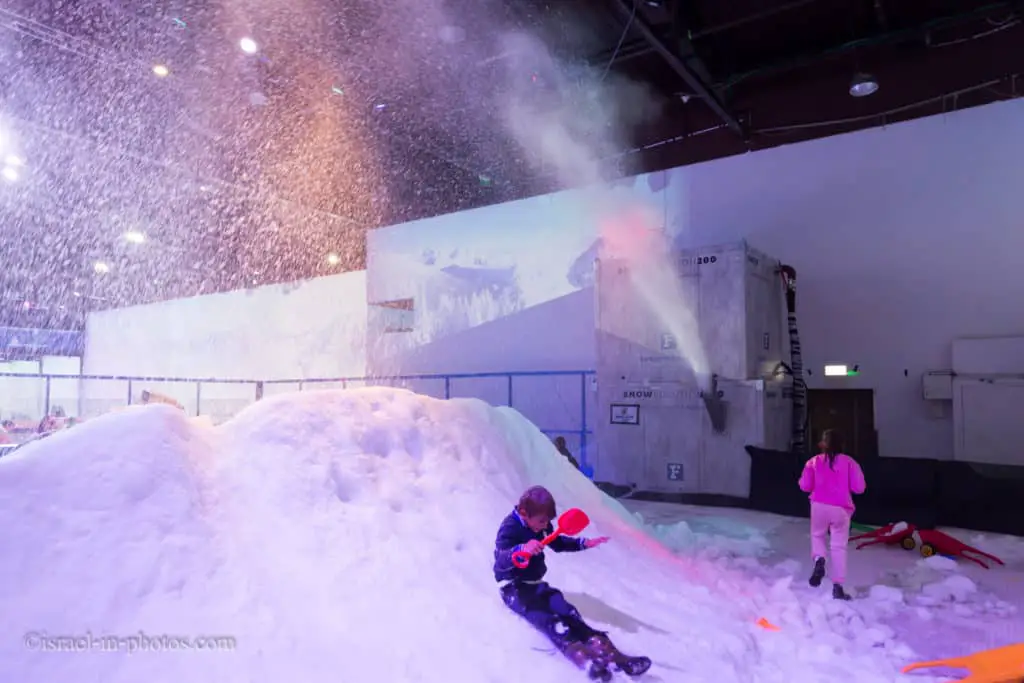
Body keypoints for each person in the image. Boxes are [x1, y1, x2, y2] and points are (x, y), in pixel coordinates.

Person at [493, 486, 650, 676]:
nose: (545, 526)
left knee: (568, 612)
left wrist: (583, 543)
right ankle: (586, 661)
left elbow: (558, 542)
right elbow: (501, 560)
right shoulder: (510, 527)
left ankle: (614, 658)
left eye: (547, 522)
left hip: (537, 585)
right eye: (542, 521)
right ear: (524, 513)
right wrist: (521, 550)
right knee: (551, 621)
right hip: (513, 589)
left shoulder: (540, 524)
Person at [798, 429, 867, 600]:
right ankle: (838, 586)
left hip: (819, 506)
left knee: (817, 535)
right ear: (842, 444)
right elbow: (860, 488)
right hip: (841, 509)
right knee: (838, 546)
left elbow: (805, 486)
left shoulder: (813, 462)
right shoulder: (850, 463)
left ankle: (819, 560)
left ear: (823, 444)